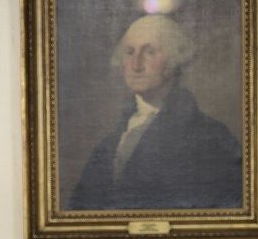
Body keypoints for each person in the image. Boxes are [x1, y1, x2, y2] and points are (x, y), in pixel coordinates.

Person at [65, 15, 243, 211]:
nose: (136, 65)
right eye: (129, 52)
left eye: (150, 52)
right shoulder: (109, 144)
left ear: (175, 60)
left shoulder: (212, 138)